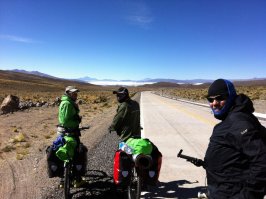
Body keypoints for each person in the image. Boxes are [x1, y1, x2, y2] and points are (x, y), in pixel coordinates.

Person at [204, 79, 266, 199]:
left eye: (220, 98)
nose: (214, 103)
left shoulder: (239, 122)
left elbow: (262, 161)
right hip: (223, 190)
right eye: (210, 99)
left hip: (232, 193)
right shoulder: (234, 118)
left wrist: (248, 195)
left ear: (231, 97)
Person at [57, 85, 84, 188]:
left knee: (64, 152)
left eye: (76, 93)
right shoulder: (67, 103)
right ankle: (77, 180)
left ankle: (63, 180)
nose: (76, 94)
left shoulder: (69, 103)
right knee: (76, 153)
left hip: (62, 131)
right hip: (69, 132)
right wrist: (77, 120)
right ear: (68, 93)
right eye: (73, 93)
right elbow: (65, 120)